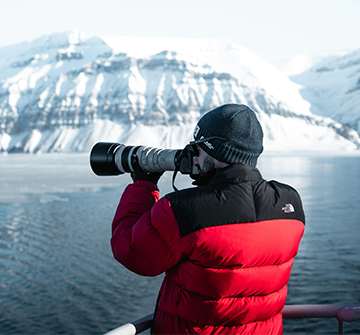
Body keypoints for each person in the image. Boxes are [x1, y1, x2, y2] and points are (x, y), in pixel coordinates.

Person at [111, 104, 305, 335]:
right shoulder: (290, 202)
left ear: (213, 149)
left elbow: (130, 251)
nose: (194, 157)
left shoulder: (183, 209)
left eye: (199, 148)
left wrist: (144, 184)